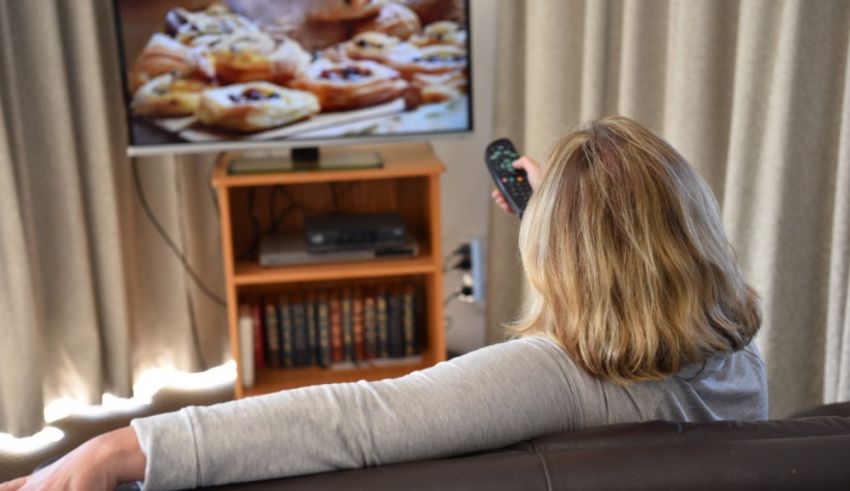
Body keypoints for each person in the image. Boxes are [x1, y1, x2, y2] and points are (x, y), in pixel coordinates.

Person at [1, 116, 766, 491]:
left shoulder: (556, 378)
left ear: (560, 258)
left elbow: (359, 418)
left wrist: (116, 448)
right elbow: (633, 270)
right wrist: (551, 214)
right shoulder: (738, 357)